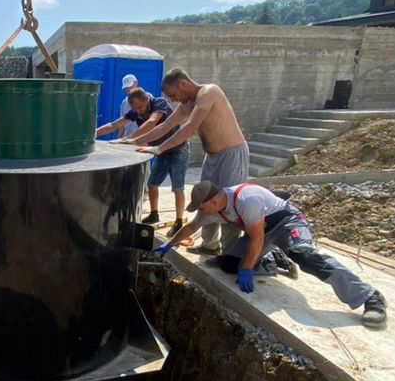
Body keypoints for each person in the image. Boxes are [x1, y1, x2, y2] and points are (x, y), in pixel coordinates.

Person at [155, 181, 388, 329]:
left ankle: (369, 297)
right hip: (262, 231)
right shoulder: (212, 209)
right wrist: (169, 245)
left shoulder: (247, 200)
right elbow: (191, 228)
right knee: (227, 263)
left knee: (302, 254)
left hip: (286, 223)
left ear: (214, 201)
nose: (201, 213)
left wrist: (247, 269)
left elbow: (256, 238)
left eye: (202, 207)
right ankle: (273, 259)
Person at [124, 68, 249, 256]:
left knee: (228, 202)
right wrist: (133, 141)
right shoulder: (187, 104)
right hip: (212, 157)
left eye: (174, 95)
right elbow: (166, 126)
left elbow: (190, 127)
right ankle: (210, 245)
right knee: (206, 200)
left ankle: (230, 253)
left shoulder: (209, 92)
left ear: (183, 84)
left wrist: (159, 149)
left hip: (231, 155)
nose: (173, 100)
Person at [96, 88, 189, 235]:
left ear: (147, 99)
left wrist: (130, 140)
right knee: (152, 184)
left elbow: (152, 122)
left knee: (178, 188)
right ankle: (154, 214)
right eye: (135, 109)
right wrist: (93, 133)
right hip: (160, 150)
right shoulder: (136, 111)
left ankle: (178, 222)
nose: (138, 112)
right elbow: (114, 125)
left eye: (140, 107)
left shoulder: (160, 103)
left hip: (178, 149)